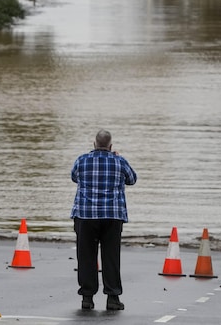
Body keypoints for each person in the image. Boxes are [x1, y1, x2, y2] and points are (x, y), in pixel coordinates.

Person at [70, 130, 137, 310]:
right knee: (111, 257)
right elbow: (132, 179)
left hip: (86, 215)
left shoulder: (82, 160)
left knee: (86, 256)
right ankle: (113, 298)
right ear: (110, 146)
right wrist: (118, 158)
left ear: (94, 144)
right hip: (112, 216)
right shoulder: (119, 161)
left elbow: (74, 177)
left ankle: (87, 297)